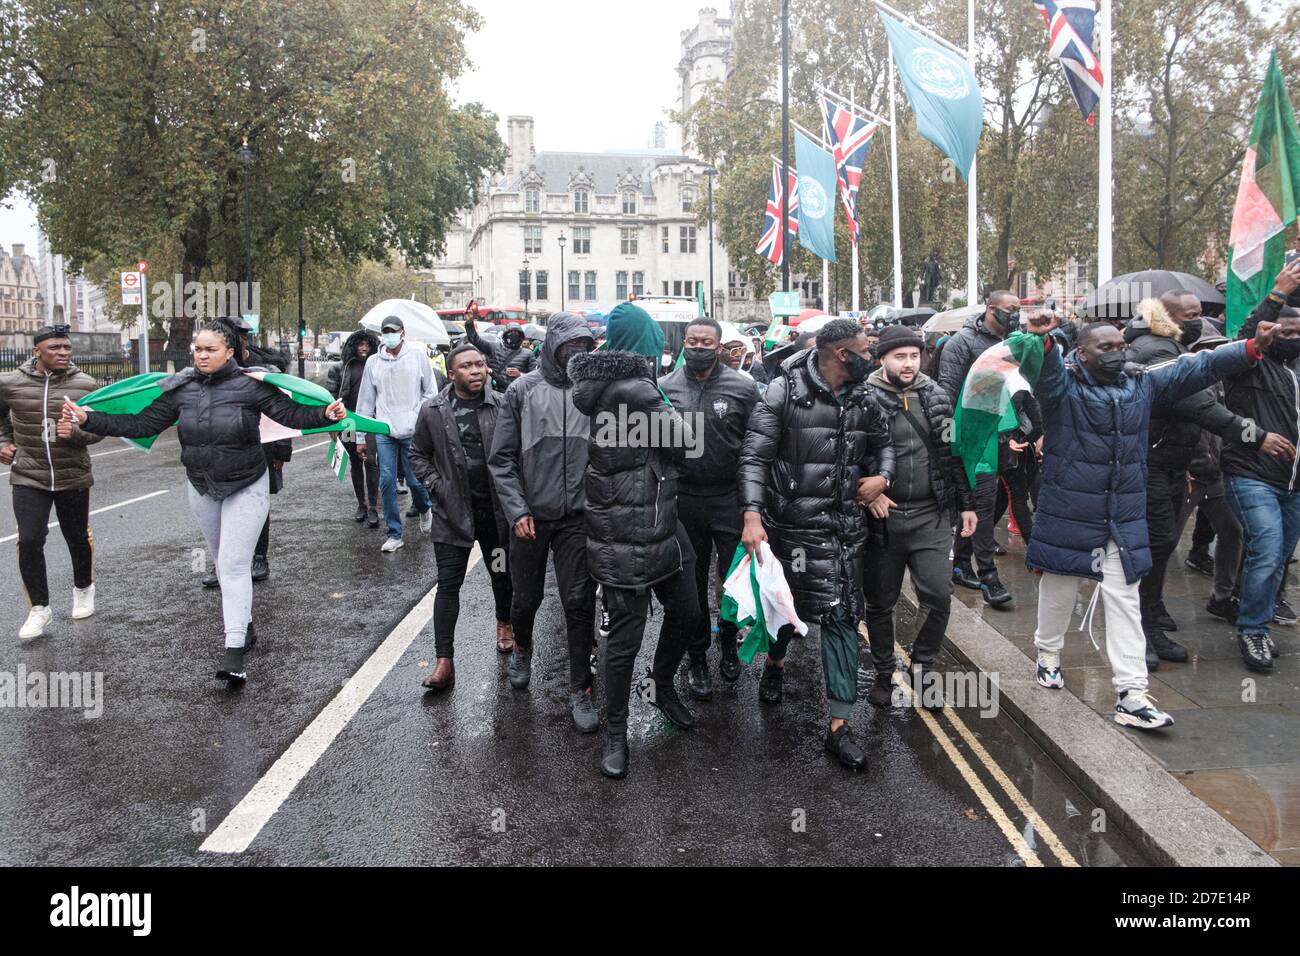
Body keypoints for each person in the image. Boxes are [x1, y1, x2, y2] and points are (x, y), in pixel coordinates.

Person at [1026, 313, 1278, 728]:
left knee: (1125, 600)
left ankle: (1132, 694)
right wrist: (1043, 339)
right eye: (1103, 348)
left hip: (1121, 515)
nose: (1115, 353)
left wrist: (1249, 349)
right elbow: (1044, 370)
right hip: (1069, 510)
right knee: (1059, 588)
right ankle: (1048, 653)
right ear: (1082, 354)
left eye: (1119, 346)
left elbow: (1195, 367)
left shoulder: (1140, 382)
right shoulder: (1063, 386)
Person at [65, 322, 346, 682]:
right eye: (198, 349)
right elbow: (141, 424)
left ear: (229, 351)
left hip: (247, 483)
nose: (201, 355)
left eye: (210, 349)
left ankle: (233, 653)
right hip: (201, 486)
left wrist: (324, 415)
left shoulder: (251, 385)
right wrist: (90, 419)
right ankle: (244, 626)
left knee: (231, 565)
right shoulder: (181, 388)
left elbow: (290, 415)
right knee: (220, 561)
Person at [738, 319, 895, 770]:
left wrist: (883, 478)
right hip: (792, 527)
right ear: (844, 355)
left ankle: (839, 726)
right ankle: (776, 662)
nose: (873, 354)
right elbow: (754, 457)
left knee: (842, 615)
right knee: (788, 610)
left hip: (846, 527)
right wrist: (752, 516)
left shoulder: (866, 396)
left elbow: (885, 447)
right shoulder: (783, 392)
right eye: (867, 349)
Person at [570, 302, 700, 778]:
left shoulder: (613, 386)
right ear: (644, 346)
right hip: (627, 532)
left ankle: (662, 686)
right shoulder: (637, 390)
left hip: (658, 519)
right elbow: (687, 443)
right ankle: (616, 734)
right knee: (625, 640)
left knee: (687, 611)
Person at [1123, 293, 1259, 667]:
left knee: (1160, 544)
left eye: (1201, 313)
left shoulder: (1172, 345)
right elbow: (1197, 404)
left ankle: (1149, 625)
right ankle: (1139, 631)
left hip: (1170, 462)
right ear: (1168, 316)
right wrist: (1255, 436)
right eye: (1192, 314)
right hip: (1150, 462)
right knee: (1155, 544)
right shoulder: (1157, 350)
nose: (1200, 320)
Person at [488, 312, 600, 730]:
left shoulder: (595, 392)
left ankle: (581, 688)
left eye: (585, 347)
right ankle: (523, 648)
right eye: (570, 346)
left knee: (577, 602)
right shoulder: (522, 390)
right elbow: (501, 459)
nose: (577, 354)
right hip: (531, 516)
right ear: (553, 346)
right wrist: (518, 510)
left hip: (578, 518)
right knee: (527, 597)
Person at [859, 326, 976, 706]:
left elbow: (953, 454)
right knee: (879, 601)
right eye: (900, 357)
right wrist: (867, 493)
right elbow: (846, 455)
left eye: (914, 356)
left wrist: (968, 504)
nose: (909, 364)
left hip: (932, 515)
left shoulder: (937, 395)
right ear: (882, 360)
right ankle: (882, 671)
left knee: (939, 595)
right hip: (882, 520)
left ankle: (923, 666)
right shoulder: (862, 399)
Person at [660, 317, 760, 698]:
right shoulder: (665, 387)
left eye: (706, 341)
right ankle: (697, 654)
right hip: (684, 499)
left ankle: (729, 642)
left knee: (733, 579)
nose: (698, 346)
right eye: (692, 340)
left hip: (729, 498)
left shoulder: (743, 387)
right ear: (683, 343)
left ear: (719, 347)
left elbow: (757, 445)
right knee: (691, 582)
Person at [409, 343, 514, 691]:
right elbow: (417, 454)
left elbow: (516, 452)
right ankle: (444, 661)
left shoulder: (501, 404)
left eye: (480, 365)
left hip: (495, 514)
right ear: (452, 374)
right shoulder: (434, 410)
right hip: (452, 514)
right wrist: (437, 487)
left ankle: (504, 625)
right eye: (467, 366)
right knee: (448, 585)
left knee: (501, 572)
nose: (476, 371)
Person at [1220, 261, 1300, 671]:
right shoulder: (1248, 361)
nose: (1290, 337)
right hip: (1251, 474)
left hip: (1294, 482)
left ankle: (1243, 601)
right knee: (1267, 549)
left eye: (1297, 332)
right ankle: (1253, 630)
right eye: (1283, 331)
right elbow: (1242, 338)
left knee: (1277, 556)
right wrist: (1276, 295)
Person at [0, 325, 102, 640]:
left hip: (72, 473)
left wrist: (75, 434)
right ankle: (39, 609)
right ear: (36, 352)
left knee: (76, 536)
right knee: (29, 540)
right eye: (55, 347)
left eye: (66, 348)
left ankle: (83, 587)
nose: (62, 353)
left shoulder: (85, 385)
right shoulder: (12, 383)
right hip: (29, 474)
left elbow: (100, 428)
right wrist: (3, 440)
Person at [937, 290, 1023, 606]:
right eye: (1009, 309)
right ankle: (989, 577)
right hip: (970, 437)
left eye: (1018, 309)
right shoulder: (962, 343)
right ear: (991, 309)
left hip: (1002, 432)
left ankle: (960, 564)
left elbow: (1018, 387)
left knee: (977, 504)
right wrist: (948, 439)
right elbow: (947, 391)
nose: (1014, 314)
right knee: (982, 504)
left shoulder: (1015, 342)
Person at [356, 316, 434, 553]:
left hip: (412, 431)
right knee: (387, 482)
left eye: (393, 330)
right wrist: (360, 437)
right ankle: (394, 533)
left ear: (402, 332)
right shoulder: (373, 362)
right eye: (385, 331)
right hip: (384, 431)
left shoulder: (418, 356)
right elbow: (365, 402)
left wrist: (415, 416)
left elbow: (431, 393)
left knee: (414, 481)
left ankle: (425, 507)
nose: (389, 335)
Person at [329, 329, 381, 528]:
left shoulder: (376, 366)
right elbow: (331, 398)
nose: (364, 348)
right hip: (348, 422)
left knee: (370, 462)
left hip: (369, 421)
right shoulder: (340, 368)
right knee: (355, 463)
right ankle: (361, 504)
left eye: (367, 344)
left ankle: (373, 507)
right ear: (353, 346)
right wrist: (332, 425)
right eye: (360, 344)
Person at [465, 315, 537, 392]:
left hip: (514, 393)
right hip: (492, 391)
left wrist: (520, 374)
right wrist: (469, 323)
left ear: (521, 336)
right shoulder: (494, 347)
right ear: (505, 335)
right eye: (510, 333)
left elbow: (535, 378)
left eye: (516, 333)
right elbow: (475, 339)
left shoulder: (528, 354)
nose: (513, 335)